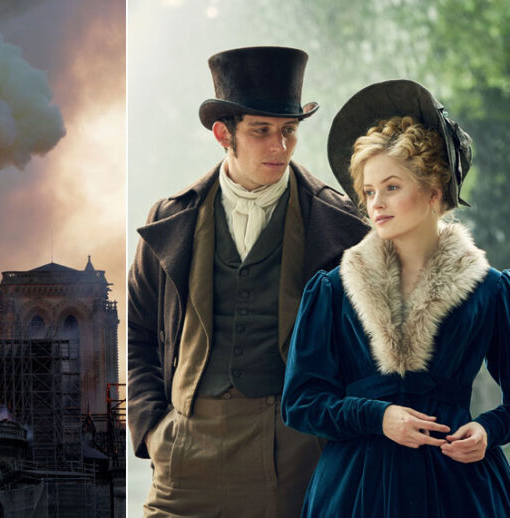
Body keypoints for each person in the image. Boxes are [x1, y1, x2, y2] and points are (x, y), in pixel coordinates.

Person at [128, 46, 368, 517]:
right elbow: (138, 334)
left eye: (289, 131)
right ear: (224, 134)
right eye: (261, 131)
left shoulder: (341, 224)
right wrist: (153, 429)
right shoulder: (170, 217)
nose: (279, 147)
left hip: (294, 451)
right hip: (184, 449)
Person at [281, 79, 510, 517]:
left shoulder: (491, 289)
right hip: (355, 490)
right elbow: (300, 402)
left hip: (459, 488)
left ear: (433, 192)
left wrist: (488, 429)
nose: (375, 204)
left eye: (391, 187)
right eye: (368, 192)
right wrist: (377, 416)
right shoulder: (331, 290)